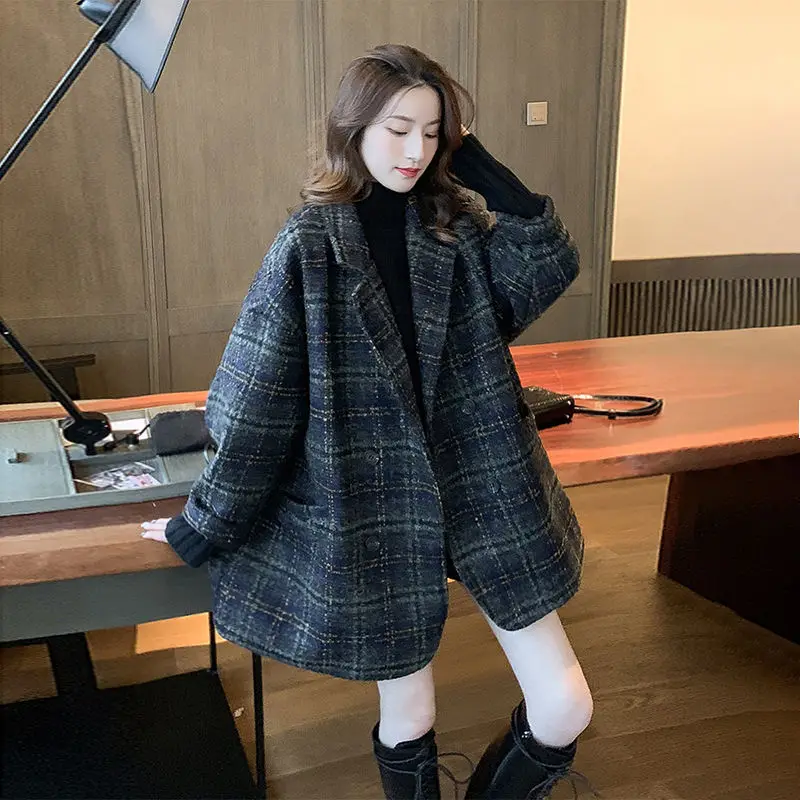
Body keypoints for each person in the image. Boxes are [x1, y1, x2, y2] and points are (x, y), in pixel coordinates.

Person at [142, 43, 594, 800]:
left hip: (484, 486)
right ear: (353, 130)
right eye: (397, 129)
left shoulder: (454, 229)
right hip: (372, 506)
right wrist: (208, 521)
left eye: (432, 133)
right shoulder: (308, 247)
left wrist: (481, 170)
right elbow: (256, 403)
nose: (415, 151)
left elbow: (542, 269)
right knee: (409, 710)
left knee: (565, 704)